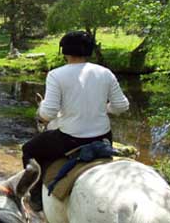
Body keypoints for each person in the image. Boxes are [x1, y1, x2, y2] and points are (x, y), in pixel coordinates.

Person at [22, 31, 129, 212]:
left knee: (29, 149)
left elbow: (49, 113)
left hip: (70, 139)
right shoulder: (105, 73)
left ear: (64, 52)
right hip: (103, 137)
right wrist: (103, 108)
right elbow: (121, 106)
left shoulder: (56, 75)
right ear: (89, 51)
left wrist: (40, 113)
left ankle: (36, 197)